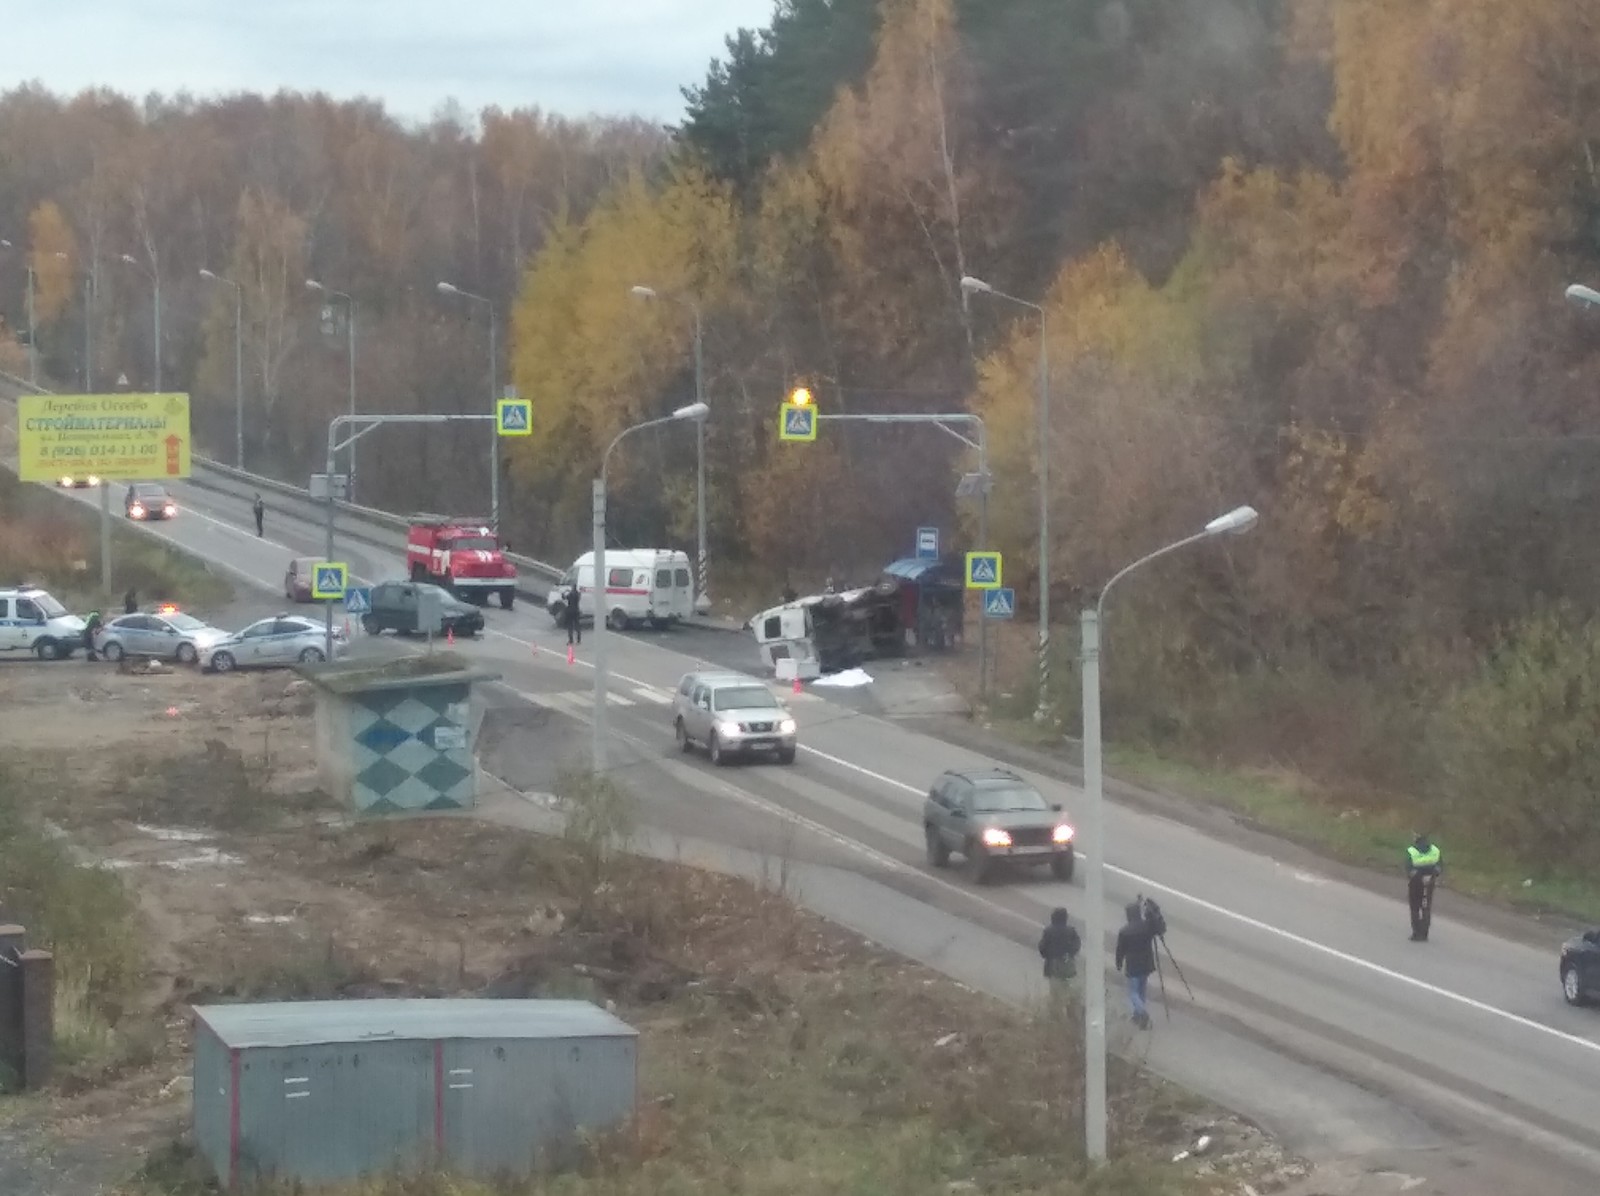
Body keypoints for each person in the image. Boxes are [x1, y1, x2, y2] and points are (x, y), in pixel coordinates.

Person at [1115, 897, 1167, 1029]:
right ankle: (1137, 1015)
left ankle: (1141, 1013)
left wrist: (1119, 962)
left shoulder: (1125, 931)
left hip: (1133, 965)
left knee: (1133, 992)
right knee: (1141, 990)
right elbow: (1160, 929)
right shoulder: (1147, 926)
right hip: (1146, 963)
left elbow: (1120, 950)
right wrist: (1154, 913)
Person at [1406, 833, 1442, 942]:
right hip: (1429, 882)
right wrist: (1432, 876)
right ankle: (1424, 933)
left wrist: (1416, 876)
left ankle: (1416, 933)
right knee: (1426, 907)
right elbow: (1439, 867)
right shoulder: (1435, 850)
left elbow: (1409, 868)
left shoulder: (1411, 851)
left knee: (1415, 907)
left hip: (1416, 883)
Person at [1039, 907, 1081, 982]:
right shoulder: (1071, 931)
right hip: (1066, 962)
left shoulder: (1048, 931)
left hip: (1052, 964)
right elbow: (1077, 945)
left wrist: (1047, 956)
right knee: (1066, 984)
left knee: (1054, 985)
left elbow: (1042, 947)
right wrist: (1070, 954)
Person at [564, 581, 582, 646]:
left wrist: (565, 593)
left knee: (570, 626)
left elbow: (564, 597)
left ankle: (571, 640)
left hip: (570, 611)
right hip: (576, 610)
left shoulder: (570, 594)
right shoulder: (578, 594)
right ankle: (579, 640)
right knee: (577, 626)